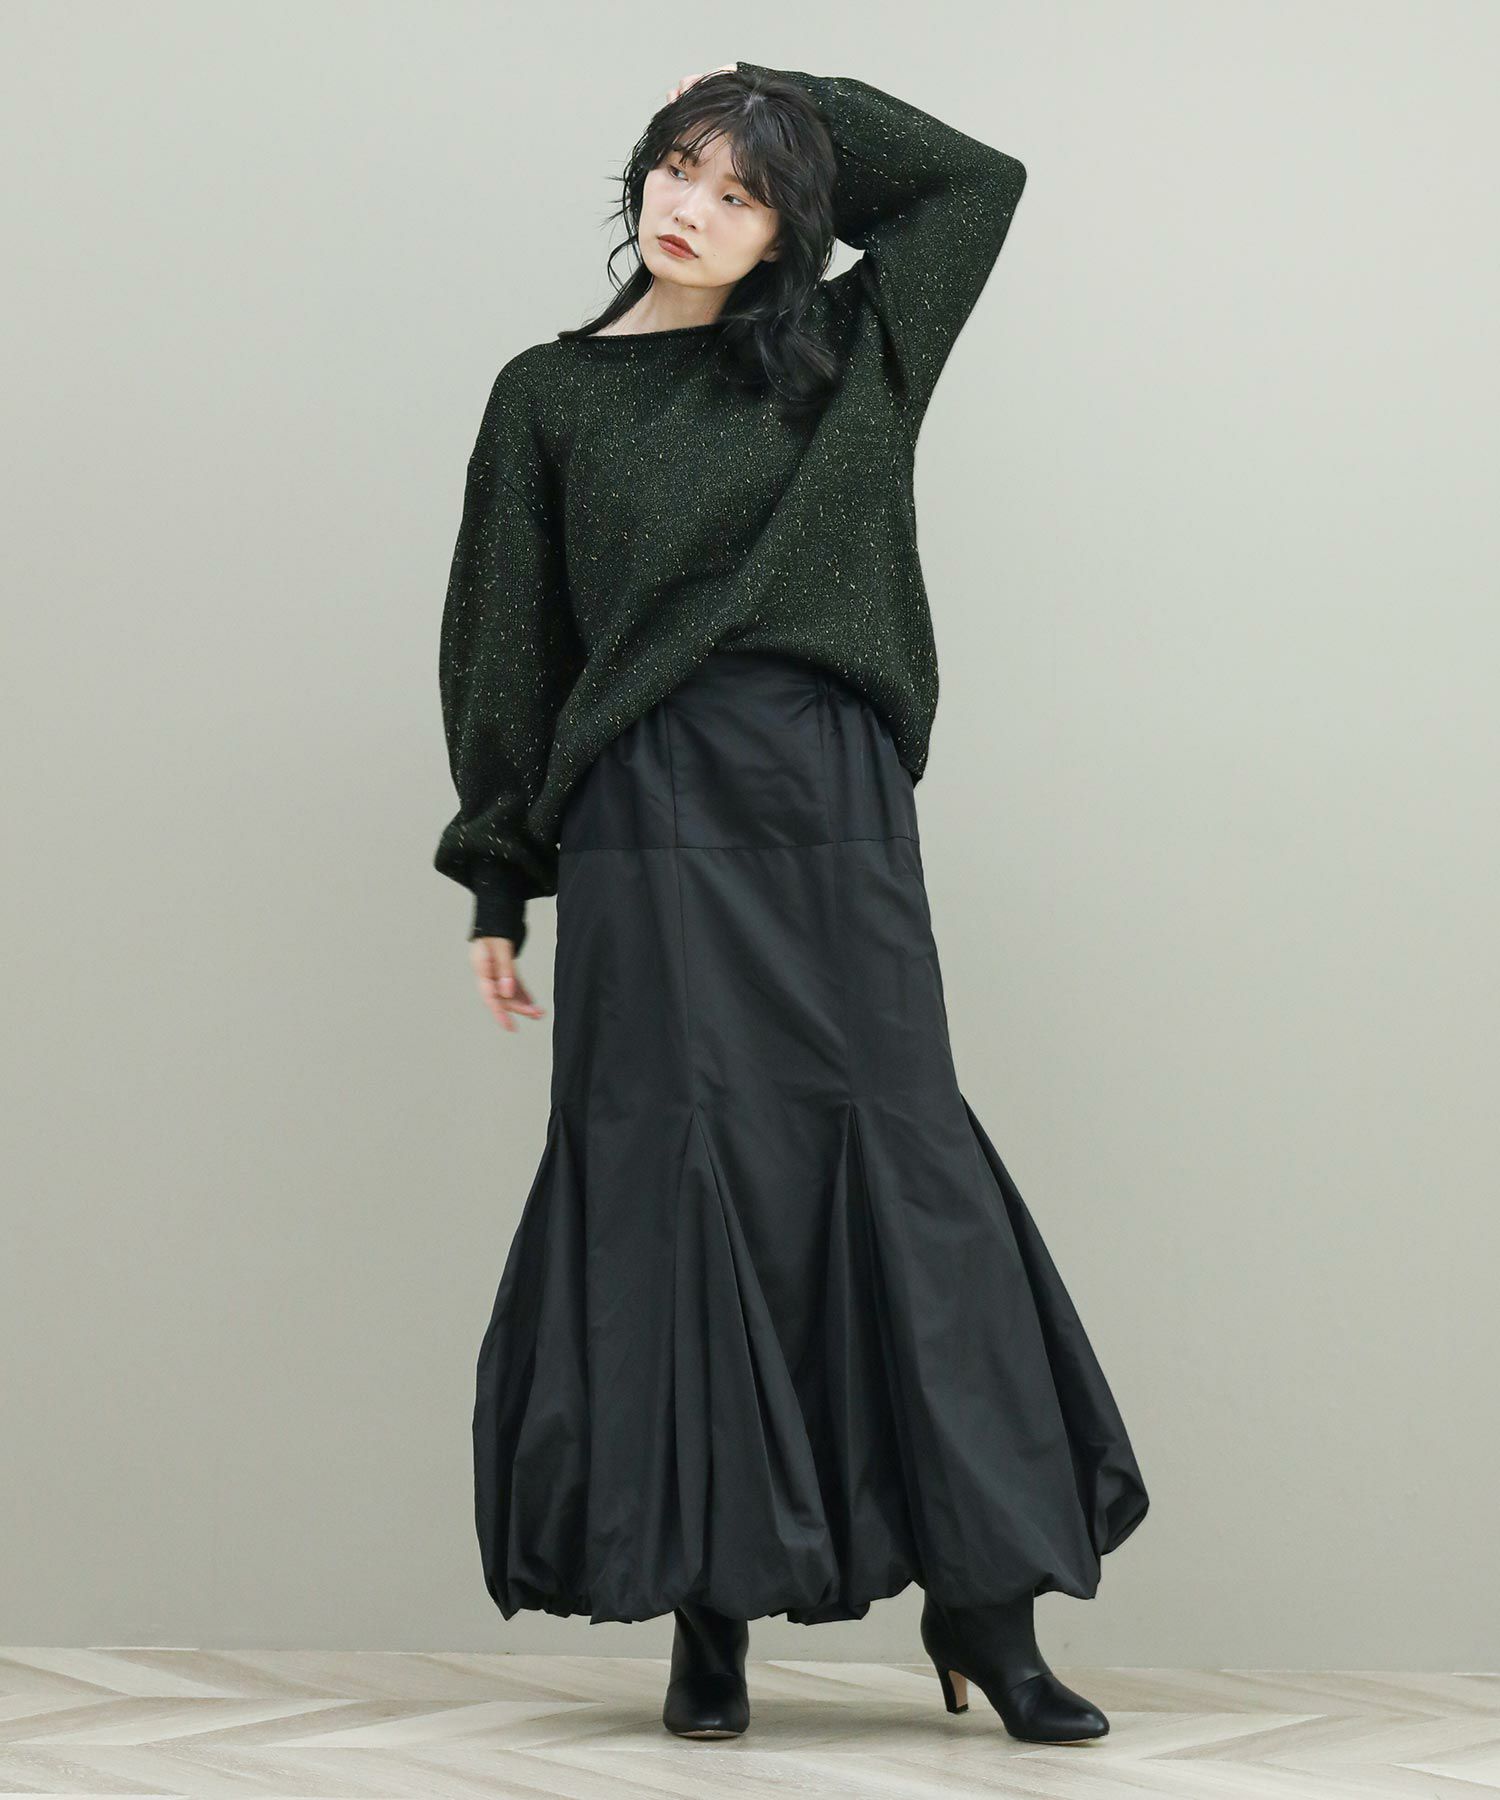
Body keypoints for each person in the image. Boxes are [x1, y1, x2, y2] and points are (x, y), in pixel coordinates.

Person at [434, 59, 1150, 1747]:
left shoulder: (850, 347)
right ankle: (708, 1611)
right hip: (644, 810)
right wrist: (498, 877)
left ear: (792, 228)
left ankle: (986, 1607)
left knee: (898, 1165)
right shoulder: (547, 395)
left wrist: (777, 97)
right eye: (681, 166)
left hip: (826, 797)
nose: (694, 206)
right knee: (679, 1179)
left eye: (744, 191)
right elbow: (508, 641)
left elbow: (977, 184)